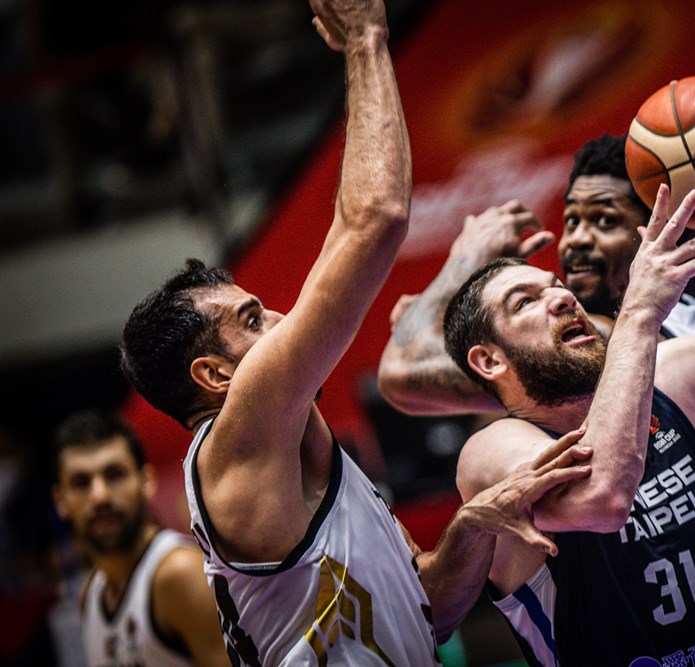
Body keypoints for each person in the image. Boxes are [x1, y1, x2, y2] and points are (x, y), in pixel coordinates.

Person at [117, 0, 593, 664]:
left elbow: (429, 609)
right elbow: (375, 218)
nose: (280, 319)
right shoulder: (236, 434)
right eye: (252, 320)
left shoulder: (293, 458)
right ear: (216, 375)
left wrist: (472, 523)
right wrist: (366, 39)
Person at [378, 71, 695, 662]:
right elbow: (603, 497)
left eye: (602, 221)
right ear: (489, 361)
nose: (562, 287)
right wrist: (462, 269)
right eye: (526, 300)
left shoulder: (676, 362)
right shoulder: (495, 451)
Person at [51, 409, 230, 667]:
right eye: (81, 483)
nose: (100, 496)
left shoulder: (178, 574)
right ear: (60, 500)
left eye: (114, 475)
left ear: (146, 480)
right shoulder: (90, 592)